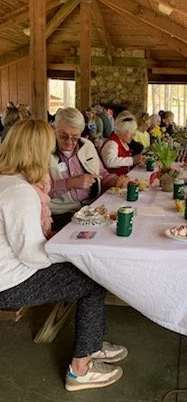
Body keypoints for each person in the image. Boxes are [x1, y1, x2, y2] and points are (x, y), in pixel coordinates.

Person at [0, 119, 127, 392]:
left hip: (9, 273)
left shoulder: (7, 180)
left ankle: (91, 344)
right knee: (93, 279)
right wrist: (73, 255)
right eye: (47, 148)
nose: (50, 154)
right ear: (35, 151)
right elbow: (32, 255)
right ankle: (80, 370)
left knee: (89, 273)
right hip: (9, 283)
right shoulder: (19, 192)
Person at [49, 107, 127, 231]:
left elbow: (101, 174)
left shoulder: (86, 146)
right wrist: (70, 183)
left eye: (75, 137)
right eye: (63, 136)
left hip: (92, 208)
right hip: (62, 214)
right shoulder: (45, 152)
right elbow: (40, 192)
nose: (69, 142)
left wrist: (116, 181)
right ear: (54, 130)